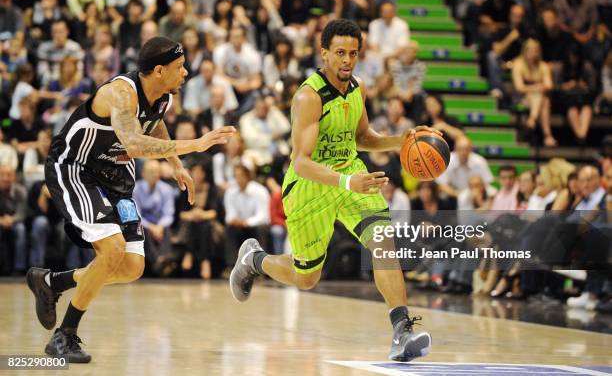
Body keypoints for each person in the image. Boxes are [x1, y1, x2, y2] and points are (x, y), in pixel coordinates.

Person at [229, 19, 432, 362]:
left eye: (353, 53)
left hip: (351, 172)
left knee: (382, 240)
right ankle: (255, 259)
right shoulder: (308, 96)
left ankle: (402, 330)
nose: (347, 60)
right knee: (306, 277)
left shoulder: (357, 88)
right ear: (323, 53)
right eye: (340, 52)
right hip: (310, 184)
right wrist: (345, 181)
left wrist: (405, 140)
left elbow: (363, 137)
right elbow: (302, 161)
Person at [26, 36, 236, 362]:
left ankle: (52, 281)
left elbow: (156, 124)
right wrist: (195, 145)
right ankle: (64, 336)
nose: (185, 73)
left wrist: (177, 166)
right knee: (112, 249)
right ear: (158, 70)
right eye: (179, 68)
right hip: (77, 170)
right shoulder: (120, 94)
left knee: (131, 267)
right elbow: (134, 143)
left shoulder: (162, 96)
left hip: (116, 179)